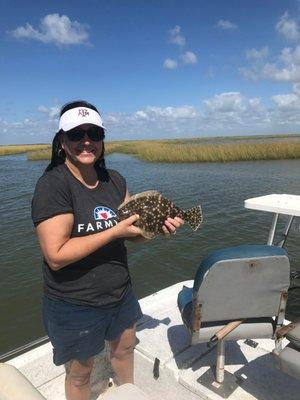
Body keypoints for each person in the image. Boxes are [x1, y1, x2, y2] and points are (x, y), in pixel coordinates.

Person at [31, 100, 183, 400]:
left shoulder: (115, 180)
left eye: (94, 133)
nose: (86, 141)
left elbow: (131, 235)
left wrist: (156, 233)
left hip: (120, 292)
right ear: (62, 141)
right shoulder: (53, 186)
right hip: (75, 304)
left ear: (102, 140)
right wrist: (114, 230)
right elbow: (56, 256)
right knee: (80, 374)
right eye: (76, 134)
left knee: (125, 351)